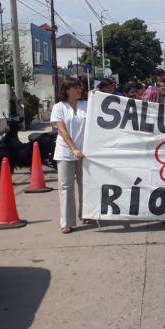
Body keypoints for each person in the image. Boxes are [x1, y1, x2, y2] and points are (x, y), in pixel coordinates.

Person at [51, 78, 90, 234]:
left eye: (80, 88)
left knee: (85, 185)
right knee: (66, 187)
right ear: (67, 90)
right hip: (65, 152)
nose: (79, 90)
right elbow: (62, 130)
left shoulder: (86, 105)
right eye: (75, 88)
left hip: (85, 152)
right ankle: (67, 222)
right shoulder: (58, 107)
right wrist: (73, 148)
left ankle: (86, 214)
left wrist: (96, 94)